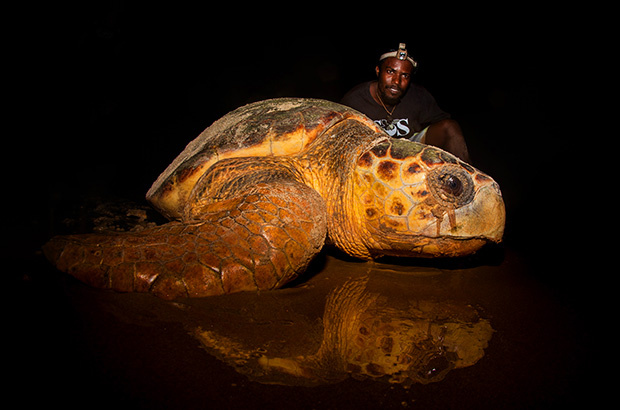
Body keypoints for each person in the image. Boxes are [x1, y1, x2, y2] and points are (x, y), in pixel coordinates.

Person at [341, 43, 471, 163]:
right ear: (378, 71)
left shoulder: (418, 96)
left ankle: (469, 181)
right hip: (373, 154)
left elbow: (443, 126)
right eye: (390, 71)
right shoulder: (354, 101)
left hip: (410, 147)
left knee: (450, 127)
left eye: (405, 75)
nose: (396, 81)